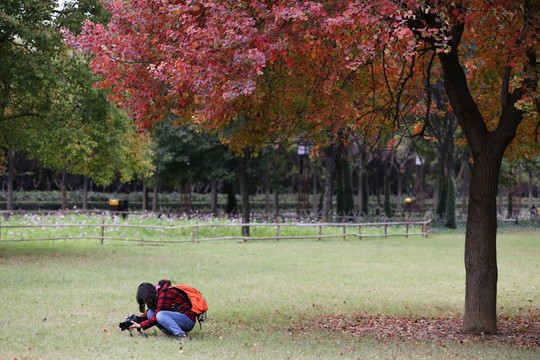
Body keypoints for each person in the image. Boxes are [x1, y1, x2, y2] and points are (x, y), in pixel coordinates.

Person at [128, 279, 196, 341]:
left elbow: (157, 316)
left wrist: (140, 325)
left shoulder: (165, 293)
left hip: (188, 321)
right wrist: (135, 320)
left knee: (160, 315)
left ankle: (182, 335)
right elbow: (150, 314)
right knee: (150, 313)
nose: (145, 302)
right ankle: (171, 334)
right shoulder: (157, 294)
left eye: (145, 300)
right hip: (178, 319)